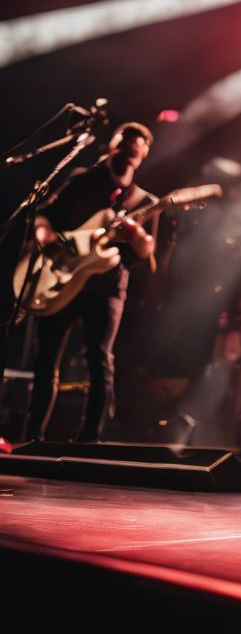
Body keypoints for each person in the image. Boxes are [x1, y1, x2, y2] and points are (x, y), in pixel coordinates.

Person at [25, 122, 157, 442]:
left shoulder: (144, 202)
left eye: (136, 146)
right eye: (125, 142)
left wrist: (137, 235)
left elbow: (148, 257)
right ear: (112, 144)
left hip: (106, 286)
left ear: (144, 154)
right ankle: (32, 438)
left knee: (100, 361)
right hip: (60, 280)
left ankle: (89, 440)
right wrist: (50, 244)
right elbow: (44, 216)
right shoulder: (83, 180)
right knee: (45, 361)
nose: (129, 149)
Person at [209, 296, 241, 440]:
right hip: (228, 358)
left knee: (239, 391)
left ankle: (235, 421)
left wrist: (240, 358)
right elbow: (221, 336)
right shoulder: (231, 319)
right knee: (225, 389)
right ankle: (222, 418)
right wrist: (217, 358)